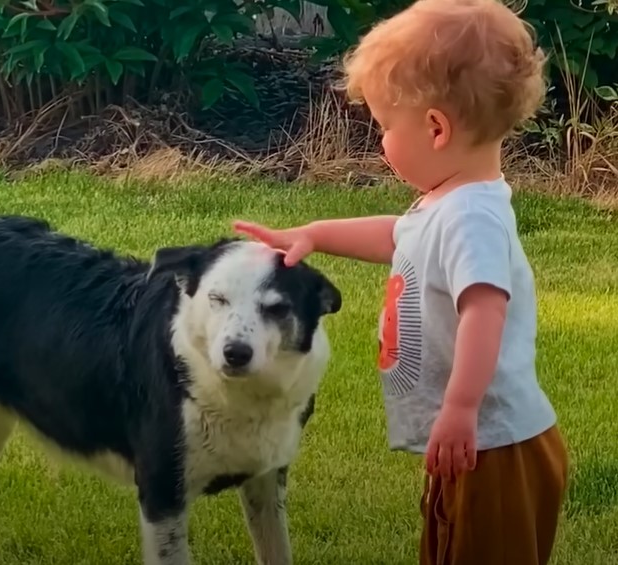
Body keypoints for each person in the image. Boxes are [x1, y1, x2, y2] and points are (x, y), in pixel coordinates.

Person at [231, 0, 569, 563]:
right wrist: (313, 233)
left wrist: (460, 408)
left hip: (495, 445)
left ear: (435, 128)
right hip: (473, 441)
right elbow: (399, 236)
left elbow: (485, 311)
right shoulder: (449, 203)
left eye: (385, 126)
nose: (381, 141)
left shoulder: (471, 218)